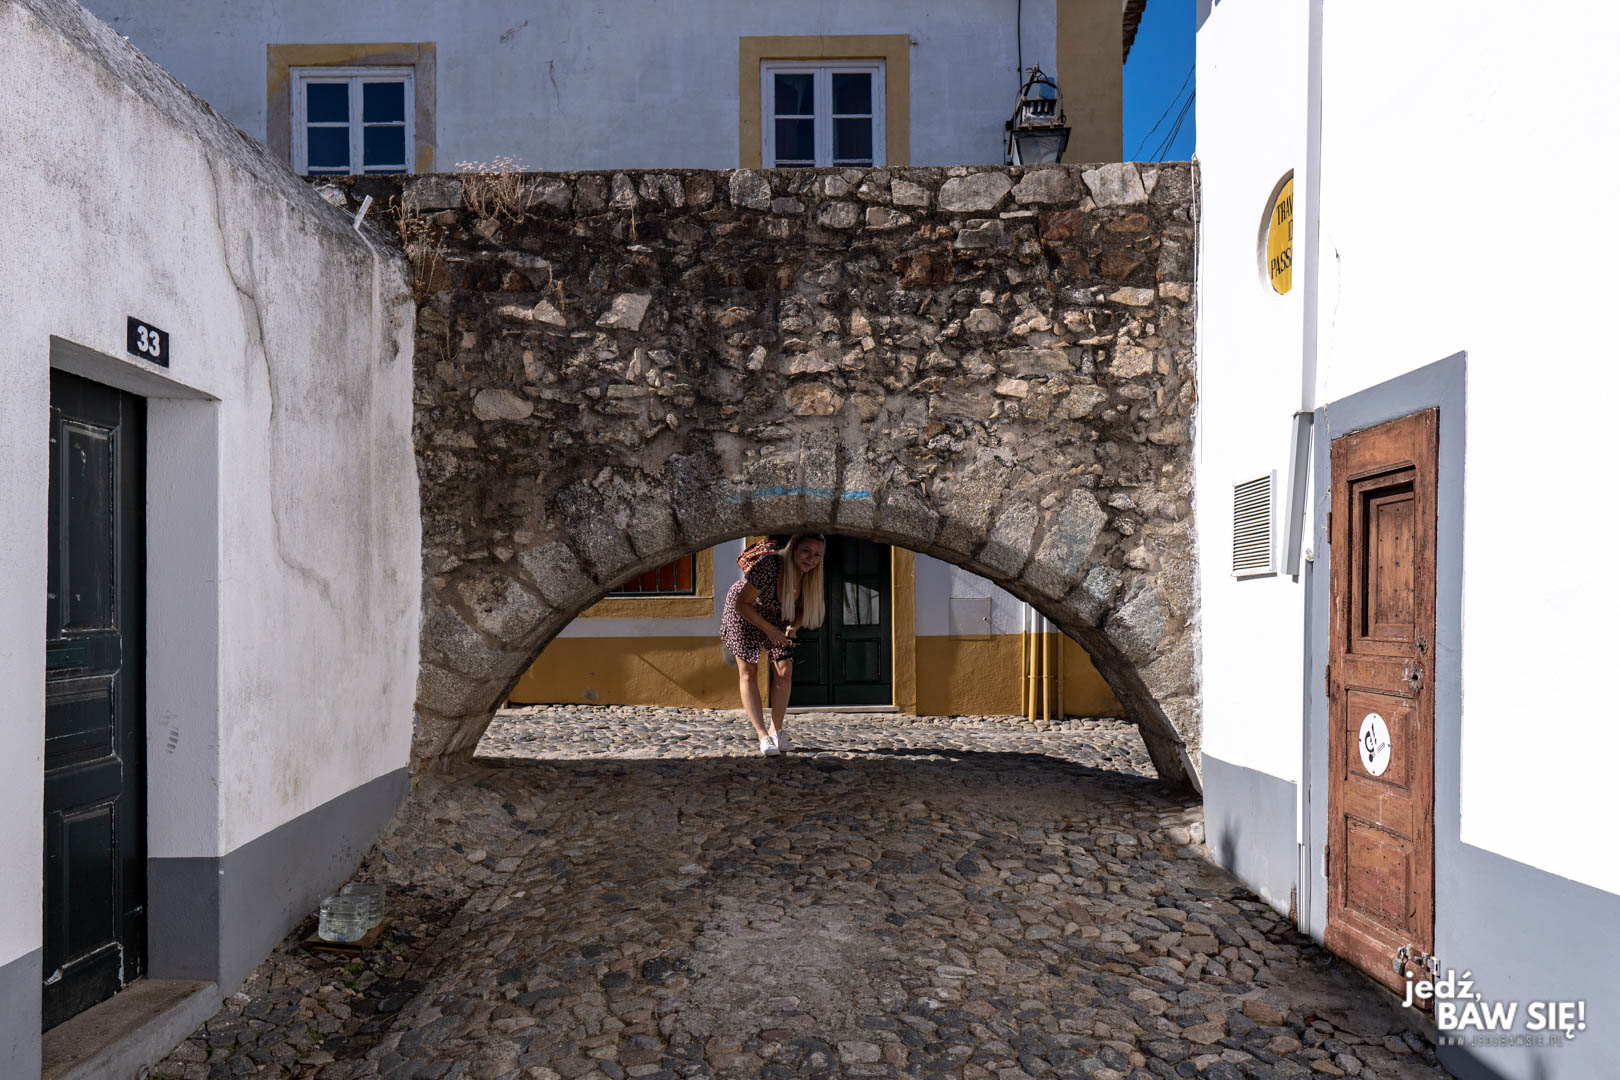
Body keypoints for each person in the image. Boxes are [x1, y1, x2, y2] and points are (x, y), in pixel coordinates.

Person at [721, 533, 826, 756]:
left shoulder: (811, 577)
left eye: (817, 555)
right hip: (744, 612)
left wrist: (792, 628)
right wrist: (770, 631)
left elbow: (802, 610)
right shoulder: (770, 565)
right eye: (806, 551)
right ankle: (762, 735)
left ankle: (776, 730)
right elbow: (742, 603)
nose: (811, 559)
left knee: (784, 670)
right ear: (794, 548)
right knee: (749, 672)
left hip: (776, 616)